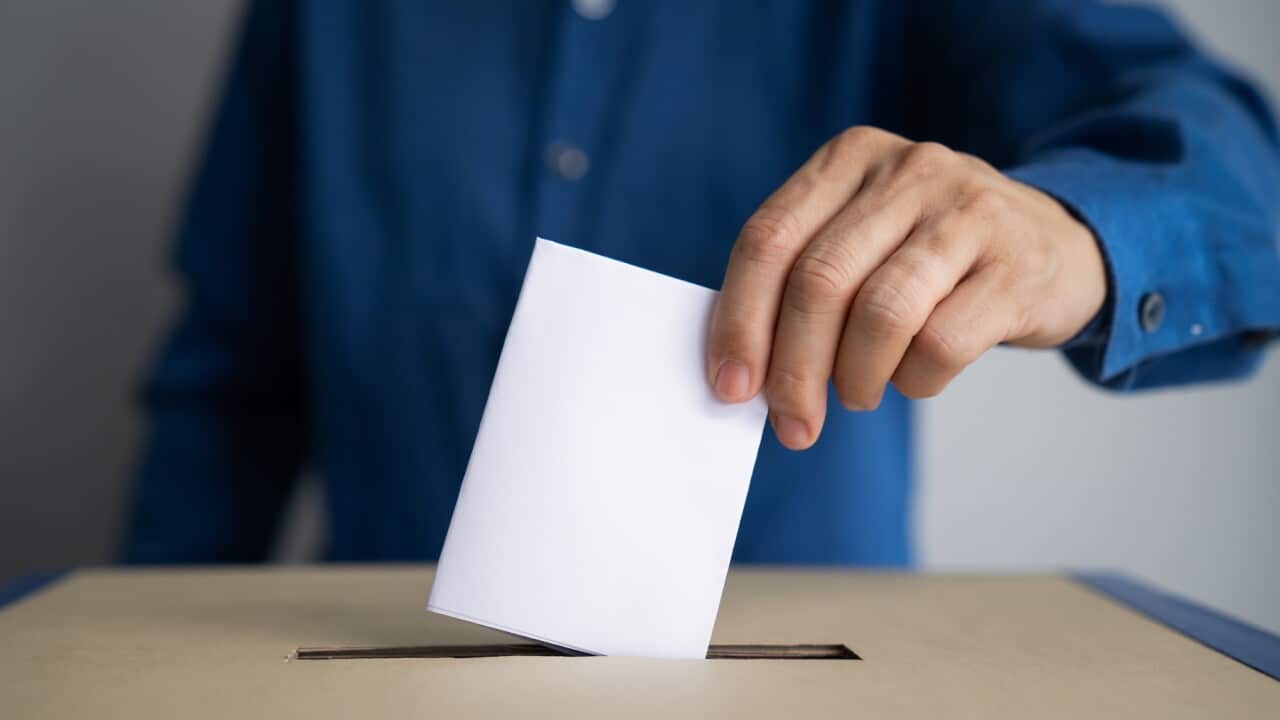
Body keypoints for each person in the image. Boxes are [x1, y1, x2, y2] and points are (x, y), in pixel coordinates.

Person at [124, 0, 1280, 566]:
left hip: (808, 669)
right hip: (375, 664)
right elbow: (229, 379)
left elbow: (1240, 176)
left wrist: (1075, 230)